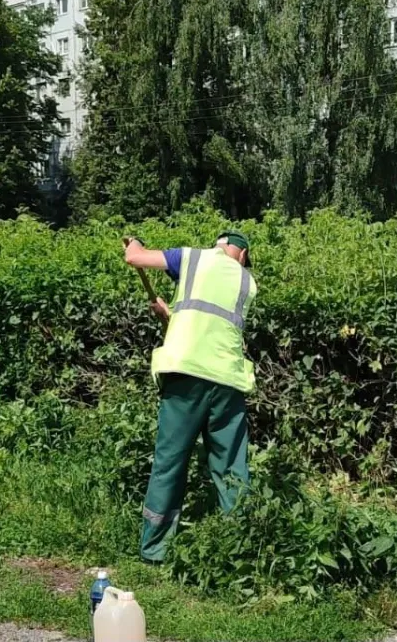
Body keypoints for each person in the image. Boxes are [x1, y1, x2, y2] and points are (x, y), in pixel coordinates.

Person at [124, 231, 257, 563]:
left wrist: (135, 243)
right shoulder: (246, 282)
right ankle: (241, 548)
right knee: (232, 469)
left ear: (220, 245)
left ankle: (155, 550)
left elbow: (135, 259)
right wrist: (169, 316)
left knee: (170, 461)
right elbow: (212, 327)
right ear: (242, 256)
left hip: (186, 379)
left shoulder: (192, 258)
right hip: (227, 382)